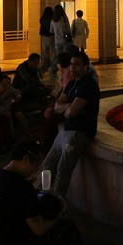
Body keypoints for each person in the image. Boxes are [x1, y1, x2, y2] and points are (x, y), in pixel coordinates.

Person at [0, 139, 88, 245]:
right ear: (25, 159)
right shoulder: (21, 187)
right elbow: (39, 228)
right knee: (67, 224)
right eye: (36, 165)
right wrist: (59, 213)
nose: (35, 171)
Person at [41, 50, 99, 197]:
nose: (73, 68)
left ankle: (56, 205)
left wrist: (68, 108)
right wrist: (70, 106)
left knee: (62, 170)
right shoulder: (72, 83)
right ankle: (40, 198)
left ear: (86, 67)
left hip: (80, 133)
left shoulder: (89, 85)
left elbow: (70, 113)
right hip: (66, 130)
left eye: (77, 65)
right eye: (72, 64)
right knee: (47, 165)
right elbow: (58, 106)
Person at [39, 7, 55, 78]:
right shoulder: (52, 20)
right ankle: (52, 69)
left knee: (44, 54)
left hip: (43, 37)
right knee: (52, 54)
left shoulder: (42, 20)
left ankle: (42, 69)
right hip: (51, 37)